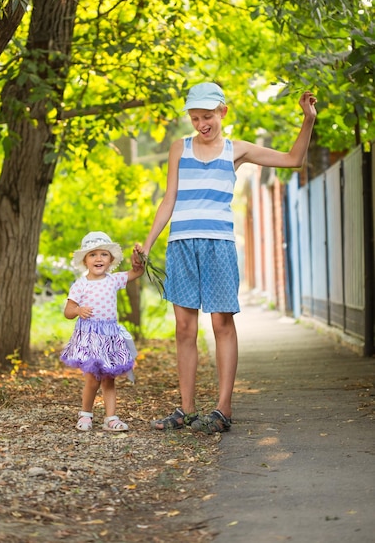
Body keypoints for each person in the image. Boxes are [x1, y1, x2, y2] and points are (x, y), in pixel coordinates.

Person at [134, 82, 317, 434]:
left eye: (207, 116)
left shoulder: (236, 150)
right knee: (184, 328)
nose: (201, 124)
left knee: (221, 324)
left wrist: (307, 120)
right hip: (181, 244)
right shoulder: (179, 148)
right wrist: (148, 243)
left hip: (219, 245)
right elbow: (169, 199)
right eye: (194, 117)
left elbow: (293, 161)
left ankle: (223, 409)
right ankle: (186, 410)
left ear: (222, 112)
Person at [60, 231, 145, 432]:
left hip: (109, 337)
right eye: (93, 254)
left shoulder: (113, 280)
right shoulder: (81, 285)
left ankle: (111, 417)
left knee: (109, 378)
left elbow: (137, 273)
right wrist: (79, 310)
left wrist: (138, 262)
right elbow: (68, 311)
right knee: (92, 378)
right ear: (85, 260)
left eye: (104, 254)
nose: (98, 258)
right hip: (90, 337)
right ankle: (86, 414)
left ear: (111, 259)